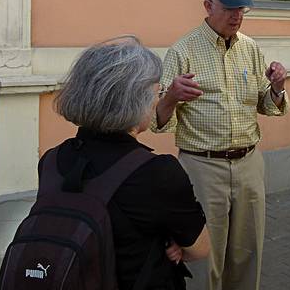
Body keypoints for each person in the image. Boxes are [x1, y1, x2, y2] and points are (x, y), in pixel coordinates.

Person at [152, 0, 289, 290]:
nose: (237, 15)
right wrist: (171, 96)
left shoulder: (251, 49)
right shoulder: (182, 51)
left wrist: (277, 88)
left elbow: (265, 105)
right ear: (207, 5)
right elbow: (159, 121)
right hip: (202, 167)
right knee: (203, 257)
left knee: (247, 254)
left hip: (249, 165)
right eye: (229, 8)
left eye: (241, 8)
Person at [44, 36, 210, 290]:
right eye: (157, 92)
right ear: (135, 101)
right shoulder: (157, 172)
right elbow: (200, 247)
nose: (158, 100)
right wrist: (173, 244)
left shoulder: (53, 159)